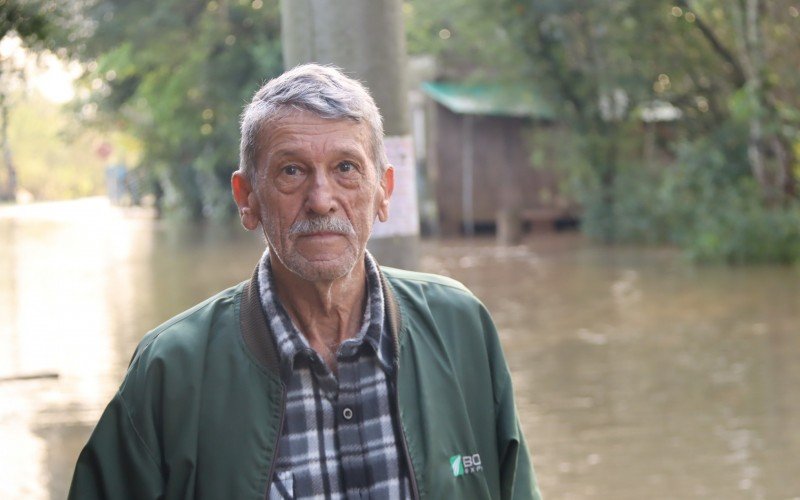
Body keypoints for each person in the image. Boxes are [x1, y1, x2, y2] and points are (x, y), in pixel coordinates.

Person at [68, 64, 542, 500]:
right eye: (291, 171)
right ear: (247, 197)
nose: (321, 200)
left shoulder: (461, 328)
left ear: (384, 192)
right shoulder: (171, 371)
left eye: (346, 169)